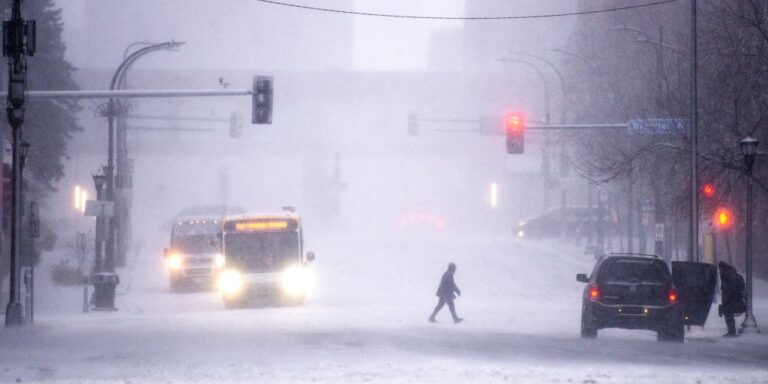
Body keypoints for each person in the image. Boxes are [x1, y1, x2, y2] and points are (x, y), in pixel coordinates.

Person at [718, 261, 746, 337]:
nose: (719, 271)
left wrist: (724, 303)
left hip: (731, 301)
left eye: (720, 269)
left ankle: (731, 331)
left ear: (722, 268)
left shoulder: (725, 276)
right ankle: (731, 331)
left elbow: (727, 290)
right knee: (727, 311)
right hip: (739, 300)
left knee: (727, 313)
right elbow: (742, 288)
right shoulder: (737, 276)